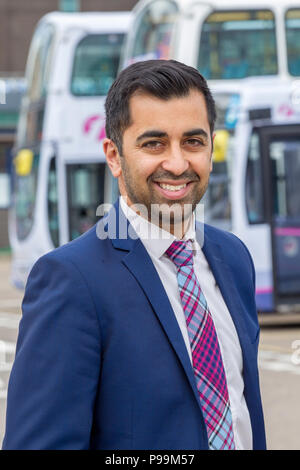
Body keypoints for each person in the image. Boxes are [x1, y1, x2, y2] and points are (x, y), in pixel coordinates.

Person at [2, 60, 266, 450]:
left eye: (193, 141)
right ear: (113, 156)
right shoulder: (71, 279)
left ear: (212, 147)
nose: (177, 164)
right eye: (153, 143)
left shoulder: (234, 259)